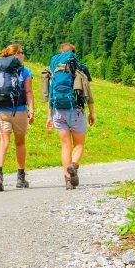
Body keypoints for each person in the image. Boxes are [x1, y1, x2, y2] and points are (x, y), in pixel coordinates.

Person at [45, 43, 95, 190]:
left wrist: (49, 115)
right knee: (79, 144)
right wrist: (92, 112)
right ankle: (73, 165)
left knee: (65, 145)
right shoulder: (80, 67)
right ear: (74, 53)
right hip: (76, 110)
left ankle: (68, 181)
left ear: (60, 52)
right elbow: (87, 93)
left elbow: (50, 94)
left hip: (58, 111)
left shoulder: (53, 69)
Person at [0, 43, 34, 191]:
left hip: (0, 110)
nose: (23, 55)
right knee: (20, 143)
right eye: (22, 52)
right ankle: (20, 178)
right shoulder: (26, 71)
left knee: (3, 143)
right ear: (16, 55)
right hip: (20, 110)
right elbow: (28, 92)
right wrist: (32, 110)